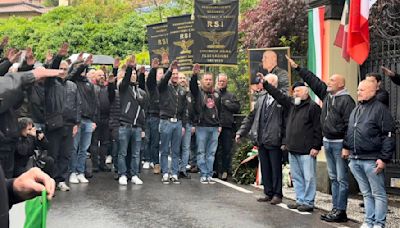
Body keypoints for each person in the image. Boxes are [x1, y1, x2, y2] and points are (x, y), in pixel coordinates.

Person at [286, 56, 355, 222]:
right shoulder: (327, 96)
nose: (328, 82)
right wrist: (298, 68)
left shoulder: (347, 100)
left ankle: (341, 211)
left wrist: (346, 146)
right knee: (333, 178)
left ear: (341, 84)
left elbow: (350, 126)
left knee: (341, 179)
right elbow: (313, 80)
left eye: (332, 80)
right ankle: (335, 209)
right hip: (328, 142)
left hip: (339, 144)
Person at [342, 80, 395, 228]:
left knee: (378, 193)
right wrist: (346, 147)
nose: (358, 92)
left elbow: (388, 135)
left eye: (362, 90)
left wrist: (384, 158)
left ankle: (379, 223)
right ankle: (369, 221)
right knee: (366, 193)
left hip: (372, 159)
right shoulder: (357, 108)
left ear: (373, 91)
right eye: (358, 89)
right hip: (356, 159)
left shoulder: (380, 109)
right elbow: (350, 131)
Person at [263, 79, 322, 212]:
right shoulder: (292, 105)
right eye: (294, 91)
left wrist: (316, 146)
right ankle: (300, 200)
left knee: (309, 178)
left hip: (307, 150)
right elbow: (278, 95)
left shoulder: (313, 107)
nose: (295, 94)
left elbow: (318, 129)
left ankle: (308, 202)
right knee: (297, 178)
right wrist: (266, 85)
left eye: (298, 91)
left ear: (306, 92)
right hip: (293, 149)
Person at [236, 74, 286, 205]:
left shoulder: (282, 98)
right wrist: (241, 132)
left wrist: (284, 140)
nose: (262, 84)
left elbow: (286, 121)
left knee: (275, 168)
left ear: (274, 83)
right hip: (261, 139)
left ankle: (277, 194)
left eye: (266, 82)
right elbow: (251, 117)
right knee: (265, 168)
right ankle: (268, 192)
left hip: (275, 139)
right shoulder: (261, 98)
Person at [117, 55, 147, 185]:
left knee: (136, 153)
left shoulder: (141, 92)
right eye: (132, 73)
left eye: (135, 73)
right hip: (125, 125)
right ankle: (122, 174)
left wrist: (143, 128)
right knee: (123, 152)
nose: (133, 75)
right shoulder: (123, 88)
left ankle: (134, 174)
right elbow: (125, 81)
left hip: (137, 127)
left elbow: (144, 111)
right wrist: (130, 67)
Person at [190, 64, 222, 184]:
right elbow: (192, 86)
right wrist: (194, 75)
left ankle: (209, 174)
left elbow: (220, 110)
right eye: (206, 79)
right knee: (201, 152)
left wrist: (220, 125)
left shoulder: (217, 94)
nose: (208, 82)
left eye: (210, 80)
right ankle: (203, 173)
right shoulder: (198, 93)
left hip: (214, 127)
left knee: (211, 153)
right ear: (202, 81)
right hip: (201, 126)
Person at [69, 53, 97, 184]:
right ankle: (72, 172)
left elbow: (94, 103)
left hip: (88, 120)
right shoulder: (73, 81)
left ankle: (80, 172)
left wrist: (93, 120)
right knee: (74, 148)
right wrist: (83, 63)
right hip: (77, 120)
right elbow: (74, 73)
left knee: (84, 149)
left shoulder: (89, 84)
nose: (83, 71)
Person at [158, 58, 186, 184]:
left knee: (176, 150)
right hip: (166, 121)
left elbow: (185, 109)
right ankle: (165, 172)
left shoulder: (182, 90)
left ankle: (174, 173)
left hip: (178, 122)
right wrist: (169, 70)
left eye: (176, 74)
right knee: (164, 149)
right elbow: (162, 81)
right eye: (173, 74)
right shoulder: (164, 87)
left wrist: (184, 124)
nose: (175, 76)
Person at [214, 73, 240, 180]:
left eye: (223, 81)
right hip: (214, 125)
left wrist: (227, 104)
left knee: (226, 149)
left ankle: (225, 170)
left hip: (227, 126)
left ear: (226, 82)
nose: (221, 83)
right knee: (214, 149)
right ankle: (214, 170)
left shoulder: (231, 95)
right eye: (219, 81)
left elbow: (237, 107)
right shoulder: (213, 94)